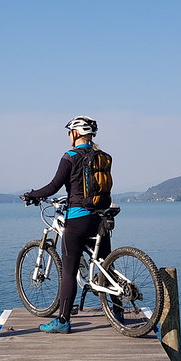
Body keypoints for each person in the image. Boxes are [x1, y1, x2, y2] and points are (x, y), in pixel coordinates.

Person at [22, 116, 112, 333]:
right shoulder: (102, 156)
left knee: (69, 271)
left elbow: (53, 186)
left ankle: (63, 321)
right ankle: (117, 311)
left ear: (75, 134)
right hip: (101, 218)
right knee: (107, 264)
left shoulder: (70, 156)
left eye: (69, 133)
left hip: (78, 219)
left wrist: (32, 194)